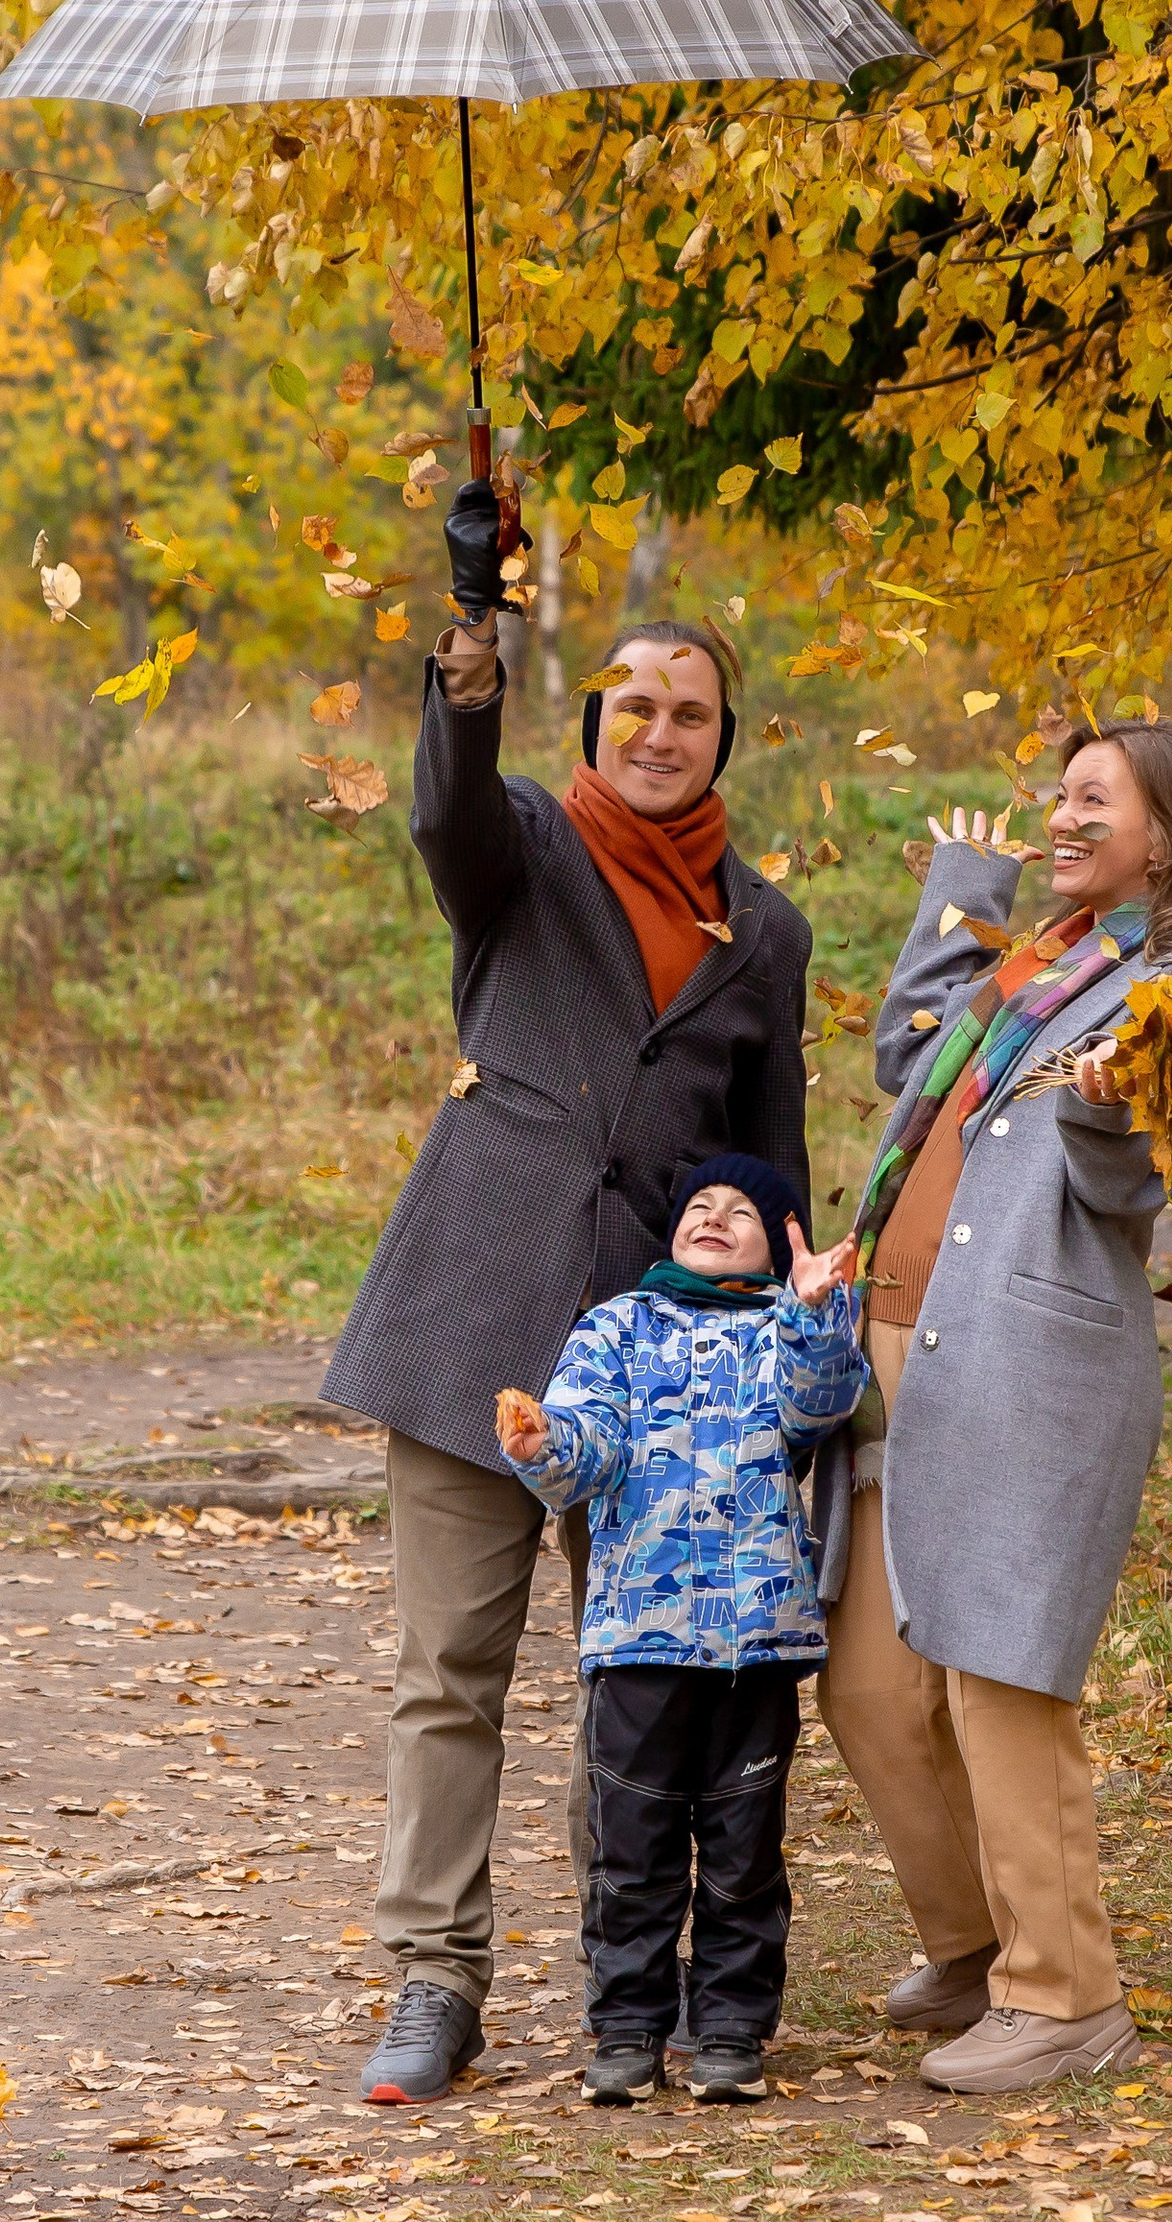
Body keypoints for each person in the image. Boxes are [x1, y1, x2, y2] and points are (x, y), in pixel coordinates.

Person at [326, 473, 814, 2107]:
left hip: (666, 1369)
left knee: (669, 1670)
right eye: (632, 703)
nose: (659, 729)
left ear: (721, 741)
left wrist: (785, 1359)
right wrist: (479, 633)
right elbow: (443, 809)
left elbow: (768, 1166)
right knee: (450, 1669)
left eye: (689, 711)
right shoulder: (526, 849)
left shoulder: (769, 931)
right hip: (474, 1309)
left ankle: (659, 1987)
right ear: (593, 717)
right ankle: (431, 1981)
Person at [810, 720, 1172, 2092]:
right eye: (1054, 796)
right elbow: (905, 1058)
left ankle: (1066, 1995)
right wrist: (964, 885)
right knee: (871, 1690)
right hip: (893, 1349)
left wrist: (1114, 1114)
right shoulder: (1034, 961)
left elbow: (1129, 1196)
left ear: (1166, 835)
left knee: (1003, 1682)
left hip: (1025, 1362)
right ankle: (977, 1950)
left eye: (1092, 801)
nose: (1059, 818)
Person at [498, 1155, 864, 2107]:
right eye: (700, 1206)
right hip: (640, 1643)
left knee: (745, 1854)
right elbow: (589, 1447)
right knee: (634, 1851)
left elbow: (819, 1406)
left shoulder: (785, 1332)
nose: (715, 1217)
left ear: (776, 1243)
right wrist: (545, 1444)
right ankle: (625, 2030)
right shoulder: (616, 1328)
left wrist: (818, 1310)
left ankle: (733, 2032)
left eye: (742, 1211)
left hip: (758, 1646)